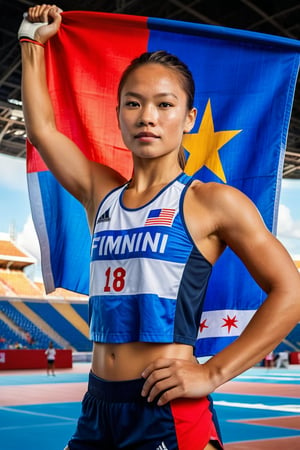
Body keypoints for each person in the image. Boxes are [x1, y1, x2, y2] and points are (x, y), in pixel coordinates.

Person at [19, 5, 300, 450]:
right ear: (118, 115)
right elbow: (43, 131)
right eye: (133, 103)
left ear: (188, 119)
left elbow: (292, 291)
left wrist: (212, 373)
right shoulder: (102, 193)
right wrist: (32, 42)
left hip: (164, 408)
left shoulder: (210, 201)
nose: (147, 116)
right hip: (97, 404)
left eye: (164, 105)